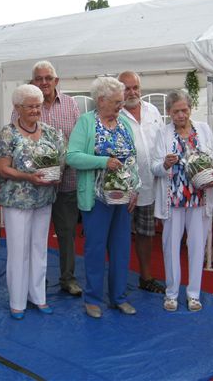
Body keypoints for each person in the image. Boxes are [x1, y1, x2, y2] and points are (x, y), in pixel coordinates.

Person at [67, 76, 140, 319]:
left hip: (121, 197)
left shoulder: (124, 124)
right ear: (101, 100)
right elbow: (73, 157)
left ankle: (119, 297)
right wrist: (103, 162)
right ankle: (93, 299)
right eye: (116, 102)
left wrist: (134, 189)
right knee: (96, 249)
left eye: (122, 102)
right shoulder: (86, 123)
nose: (121, 106)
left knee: (121, 248)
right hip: (96, 199)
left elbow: (132, 159)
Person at [151, 90, 213, 312]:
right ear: (168, 112)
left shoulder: (203, 129)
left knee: (196, 247)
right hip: (172, 200)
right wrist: (164, 164)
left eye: (184, 110)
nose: (181, 115)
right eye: (176, 112)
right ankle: (171, 293)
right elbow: (154, 168)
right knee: (171, 248)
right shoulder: (162, 134)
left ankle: (194, 294)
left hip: (199, 198)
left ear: (190, 109)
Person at [12, 61, 82, 296]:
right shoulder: (22, 105)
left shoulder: (71, 104)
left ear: (56, 81)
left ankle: (68, 278)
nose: (43, 82)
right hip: (33, 186)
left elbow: (78, 141)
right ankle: (34, 282)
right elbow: (16, 141)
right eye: (39, 79)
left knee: (67, 233)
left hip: (65, 183)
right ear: (33, 82)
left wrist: (59, 168)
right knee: (33, 236)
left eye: (48, 78)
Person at [0, 84, 65, 319]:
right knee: (18, 251)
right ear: (17, 108)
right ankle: (17, 301)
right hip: (17, 200)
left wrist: (56, 175)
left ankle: (39, 297)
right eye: (31, 106)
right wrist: (28, 177)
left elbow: (60, 161)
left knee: (39, 248)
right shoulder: (8, 133)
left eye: (38, 105)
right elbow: (3, 169)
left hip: (44, 199)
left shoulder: (49, 132)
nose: (36, 110)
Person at [118, 70, 165, 294]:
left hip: (148, 185)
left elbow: (162, 142)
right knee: (120, 235)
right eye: (126, 88)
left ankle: (145, 277)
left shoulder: (153, 111)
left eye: (135, 87)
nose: (132, 91)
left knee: (146, 234)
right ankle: (118, 280)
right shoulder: (114, 113)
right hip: (122, 187)